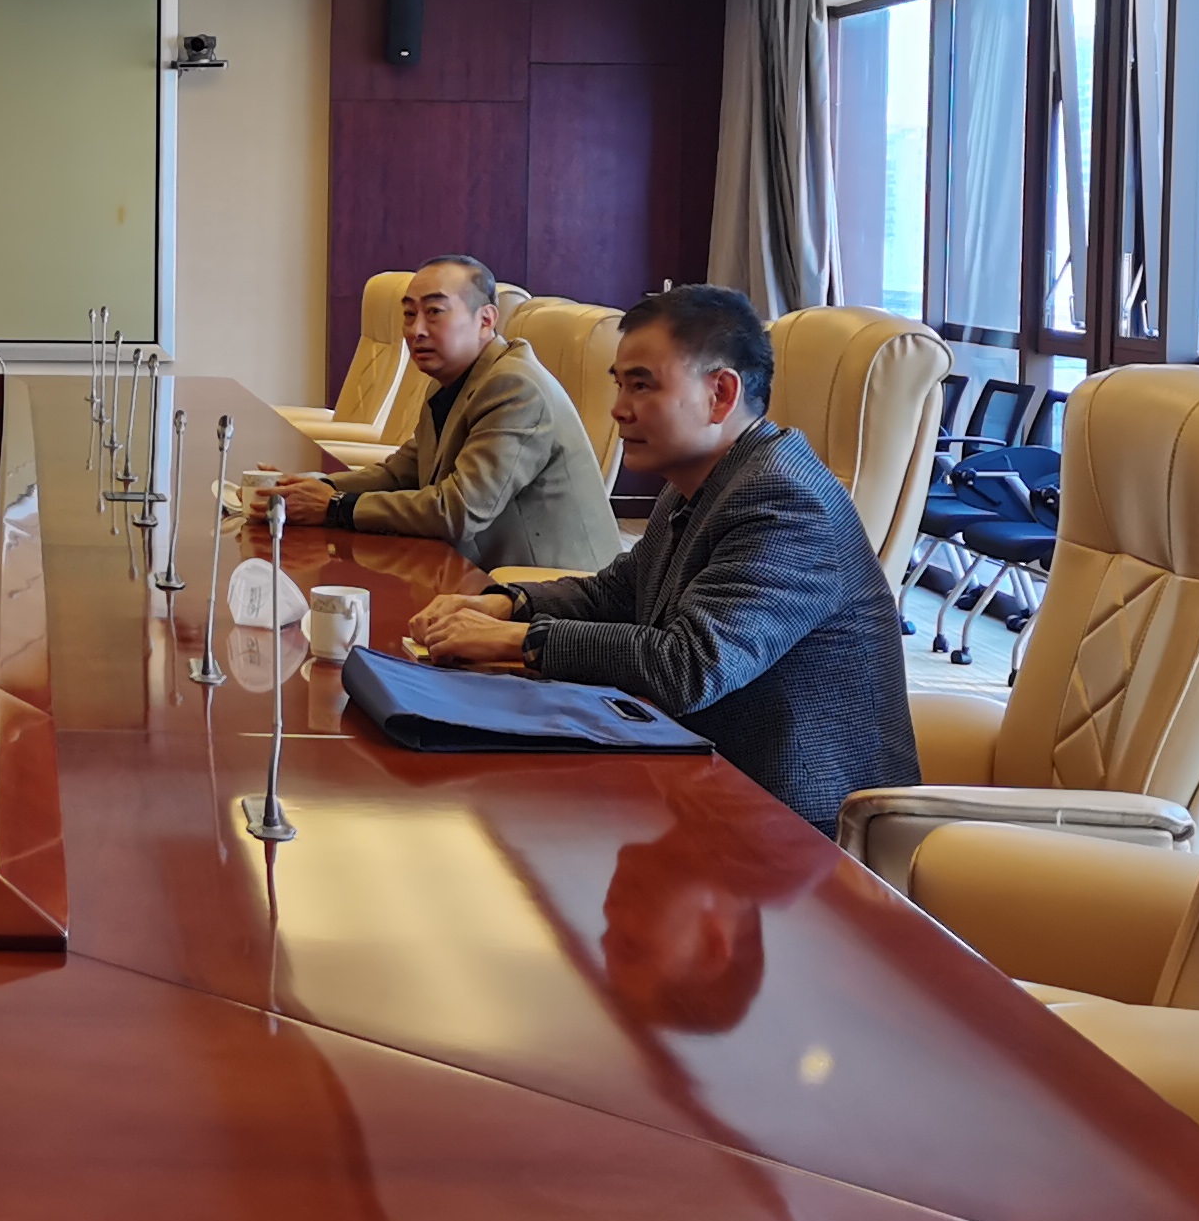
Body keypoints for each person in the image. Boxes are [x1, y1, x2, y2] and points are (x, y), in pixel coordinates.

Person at [402, 283, 918, 830]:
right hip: (698, 780)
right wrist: (506, 604)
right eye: (620, 384)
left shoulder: (784, 499)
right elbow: (620, 591)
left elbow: (688, 666)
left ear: (721, 394)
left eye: (642, 385)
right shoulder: (703, 479)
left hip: (798, 829)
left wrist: (520, 640)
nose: (619, 410)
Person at [252, 254, 618, 575]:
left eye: (434, 312)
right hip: (478, 569)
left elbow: (458, 511)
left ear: (486, 320)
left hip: (552, 594)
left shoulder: (514, 387)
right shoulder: (455, 379)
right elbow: (401, 474)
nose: (416, 330)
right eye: (409, 314)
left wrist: (333, 507)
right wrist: (314, 488)